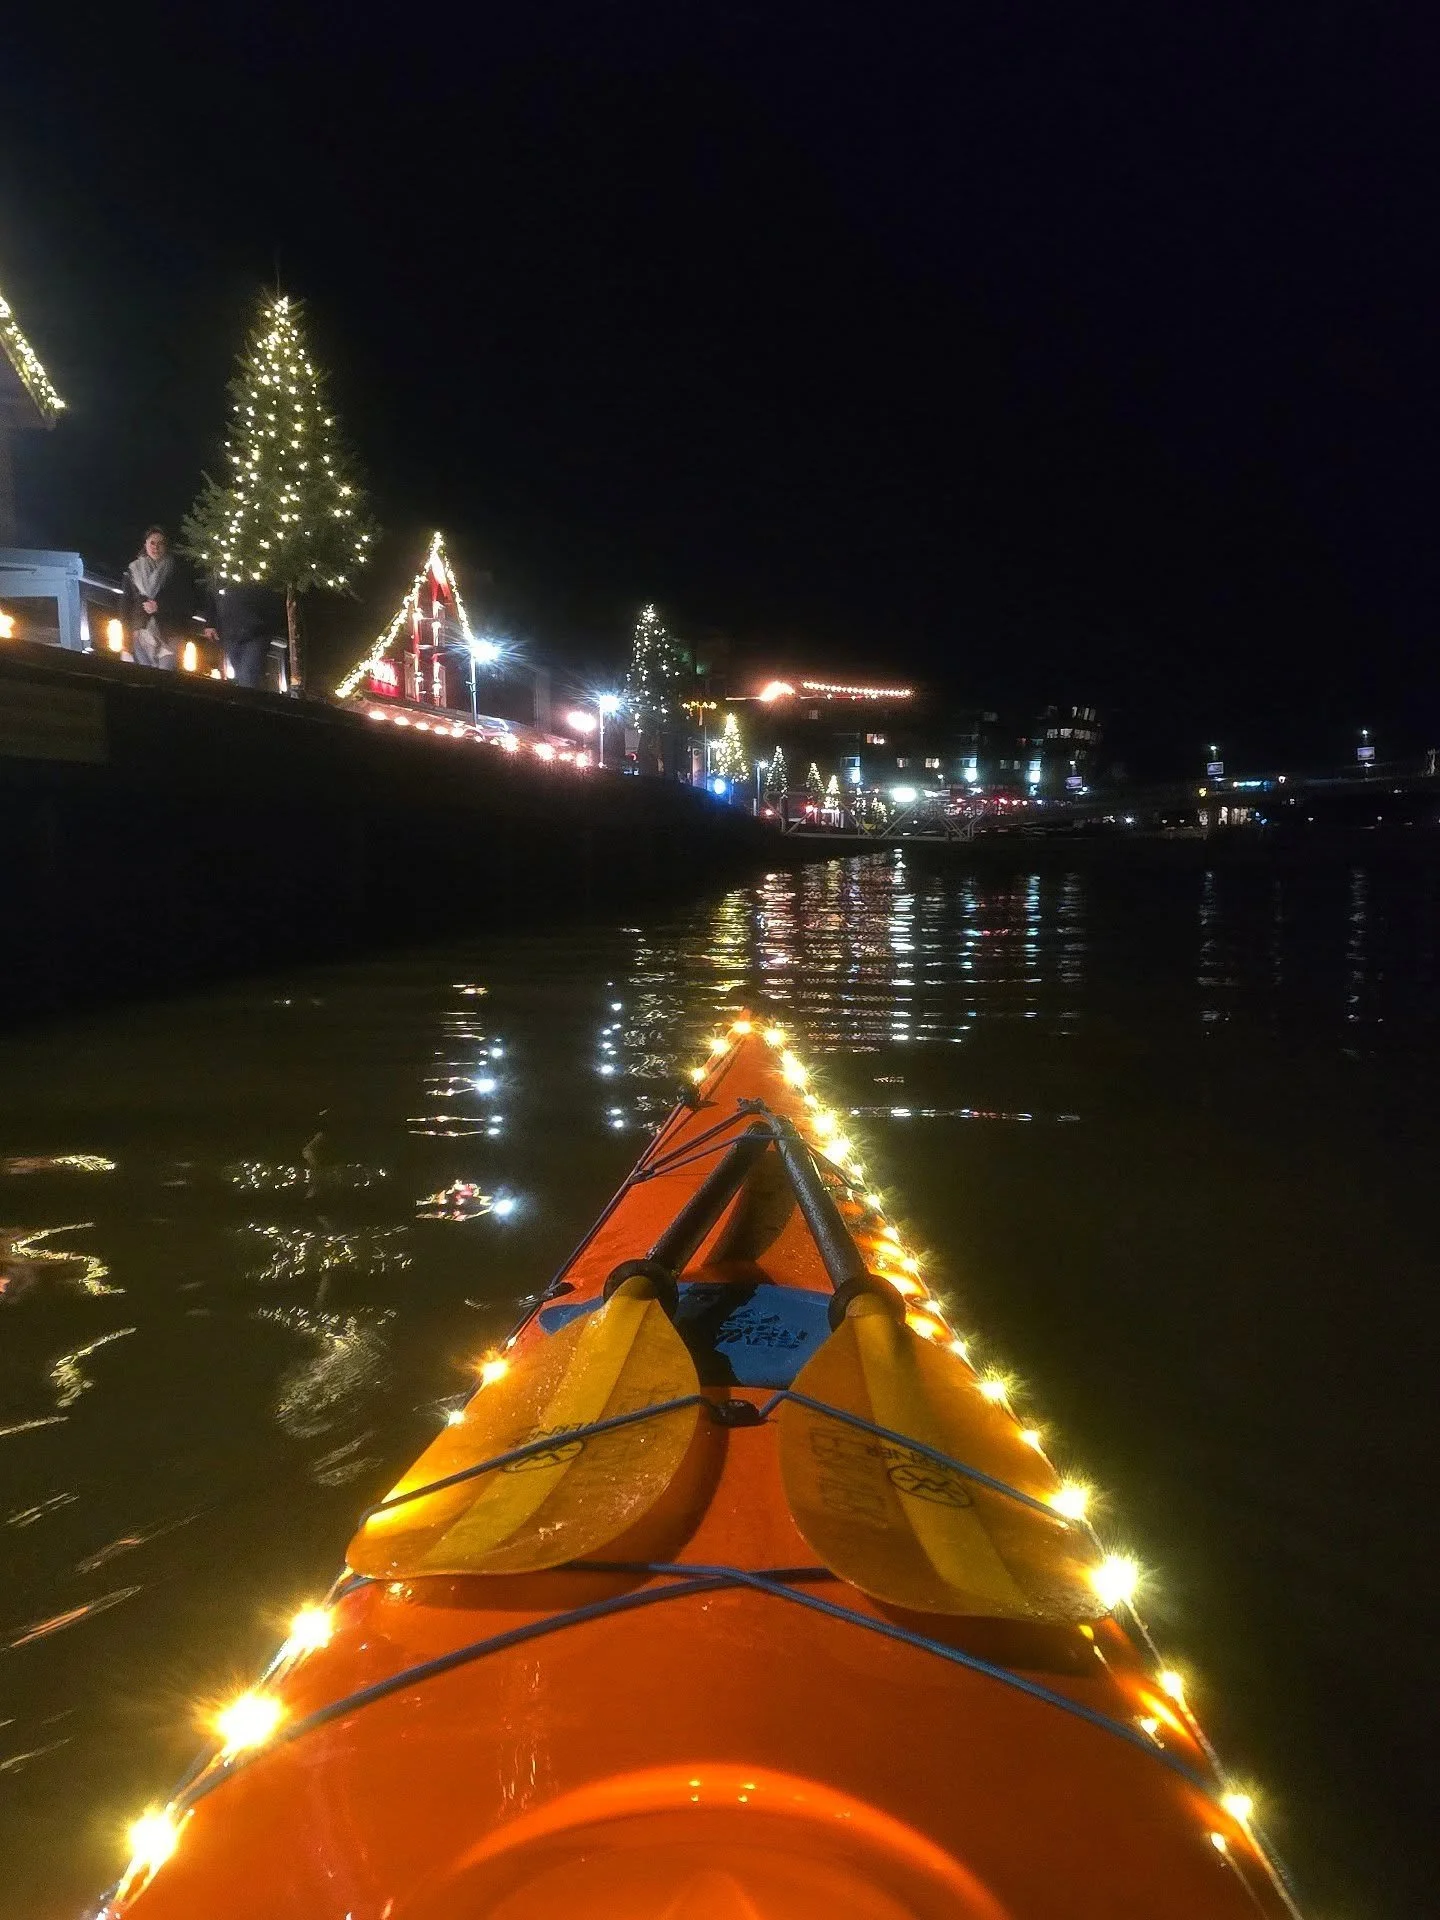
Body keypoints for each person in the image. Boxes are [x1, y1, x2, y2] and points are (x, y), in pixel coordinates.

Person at [121, 527, 195, 670]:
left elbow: (188, 603)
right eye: (152, 543)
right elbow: (125, 605)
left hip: (170, 633)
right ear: (145, 545)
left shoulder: (176, 571)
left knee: (166, 676)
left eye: (160, 543)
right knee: (146, 678)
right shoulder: (133, 571)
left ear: (166, 546)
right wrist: (126, 639)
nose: (156, 547)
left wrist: (160, 607)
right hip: (142, 633)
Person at [212, 579, 284, 689]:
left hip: (256, 632)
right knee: (242, 675)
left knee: (248, 676)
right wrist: (211, 622)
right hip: (231, 631)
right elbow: (211, 591)